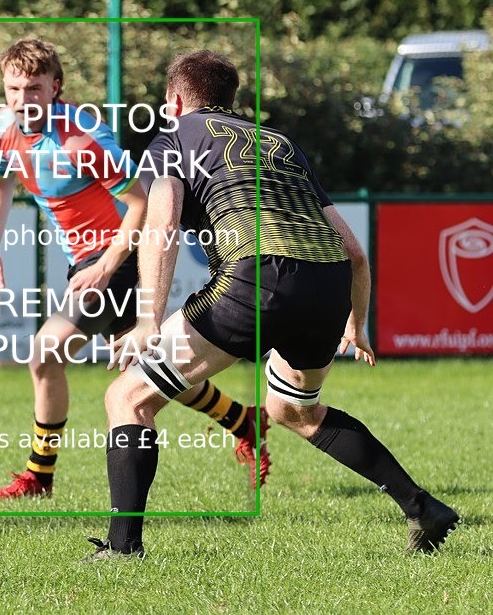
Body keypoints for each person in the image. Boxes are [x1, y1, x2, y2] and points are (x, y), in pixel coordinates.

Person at [87, 50, 459, 558]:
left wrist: (148, 317)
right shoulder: (281, 143)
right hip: (327, 283)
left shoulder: (173, 139)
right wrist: (357, 323)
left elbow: (162, 225)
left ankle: (122, 548)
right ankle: (422, 507)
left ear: (174, 100)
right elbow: (353, 251)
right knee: (291, 408)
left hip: (257, 276)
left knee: (127, 399)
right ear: (228, 99)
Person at [0, 38, 271, 500]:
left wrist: (110, 263)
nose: (21, 100)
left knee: (45, 353)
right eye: (13, 88)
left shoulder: (82, 136)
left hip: (119, 257)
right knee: (147, 368)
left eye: (33, 88)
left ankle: (39, 475)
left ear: (56, 87)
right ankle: (243, 419)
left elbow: (142, 200)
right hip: (87, 263)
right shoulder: (2, 129)